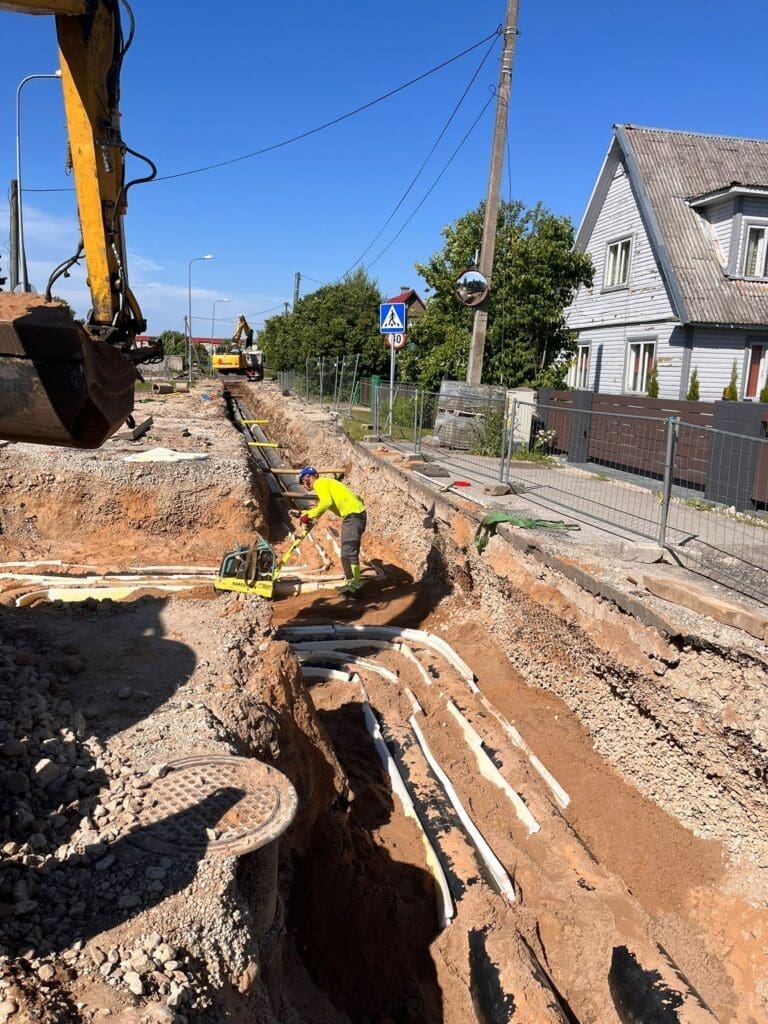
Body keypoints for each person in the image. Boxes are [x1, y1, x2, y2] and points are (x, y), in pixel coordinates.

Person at [292, 467, 367, 595]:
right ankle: (353, 584)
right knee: (348, 553)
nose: (303, 485)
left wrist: (308, 516)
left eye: (302, 481)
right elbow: (321, 507)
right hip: (355, 516)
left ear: (308, 478)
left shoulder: (319, 483)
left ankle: (355, 586)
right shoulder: (326, 483)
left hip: (353, 516)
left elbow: (326, 503)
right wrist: (303, 513)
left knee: (348, 553)